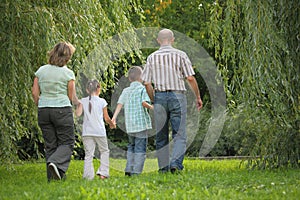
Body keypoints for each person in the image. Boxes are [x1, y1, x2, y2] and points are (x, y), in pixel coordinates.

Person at [141, 29, 203, 173]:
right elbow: (190, 78)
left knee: (161, 135)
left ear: (158, 40)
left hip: (160, 96)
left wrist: (153, 100)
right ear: (173, 39)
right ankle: (176, 163)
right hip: (177, 96)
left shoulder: (151, 57)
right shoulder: (181, 55)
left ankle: (163, 168)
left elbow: (146, 83)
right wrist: (198, 97)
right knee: (179, 134)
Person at [32, 42, 80, 182]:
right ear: (67, 57)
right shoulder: (68, 73)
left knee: (50, 144)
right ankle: (55, 162)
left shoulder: (41, 71)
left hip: (44, 110)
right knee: (67, 142)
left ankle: (54, 178)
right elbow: (70, 96)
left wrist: (40, 103)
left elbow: (35, 93)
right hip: (61, 110)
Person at [112, 66, 153, 176]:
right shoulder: (142, 89)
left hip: (130, 125)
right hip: (141, 125)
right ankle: (136, 172)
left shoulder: (126, 91)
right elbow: (144, 103)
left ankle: (128, 169)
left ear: (129, 79)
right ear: (141, 77)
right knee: (140, 148)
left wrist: (114, 117)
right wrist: (153, 108)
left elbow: (120, 104)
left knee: (131, 146)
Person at [75, 79, 116, 180]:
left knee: (89, 154)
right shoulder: (102, 101)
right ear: (99, 89)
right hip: (99, 131)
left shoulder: (83, 101)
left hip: (87, 132)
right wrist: (112, 124)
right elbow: (106, 118)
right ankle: (103, 173)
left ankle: (88, 176)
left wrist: (78, 103)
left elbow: (77, 114)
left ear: (87, 90)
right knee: (104, 151)